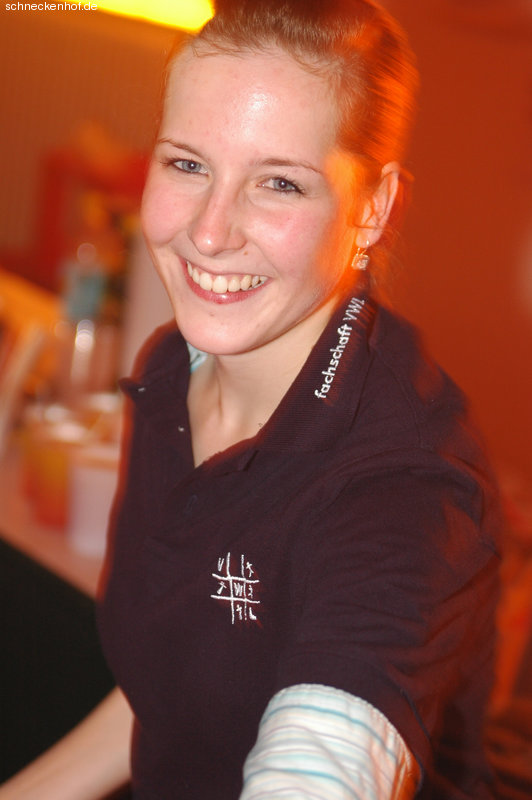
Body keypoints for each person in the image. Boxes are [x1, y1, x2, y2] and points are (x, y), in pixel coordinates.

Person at [1, 0, 500, 797]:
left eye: (279, 183)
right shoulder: (177, 365)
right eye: (187, 164)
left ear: (372, 208)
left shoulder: (405, 490)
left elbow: (325, 760)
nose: (209, 233)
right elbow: (167, 688)